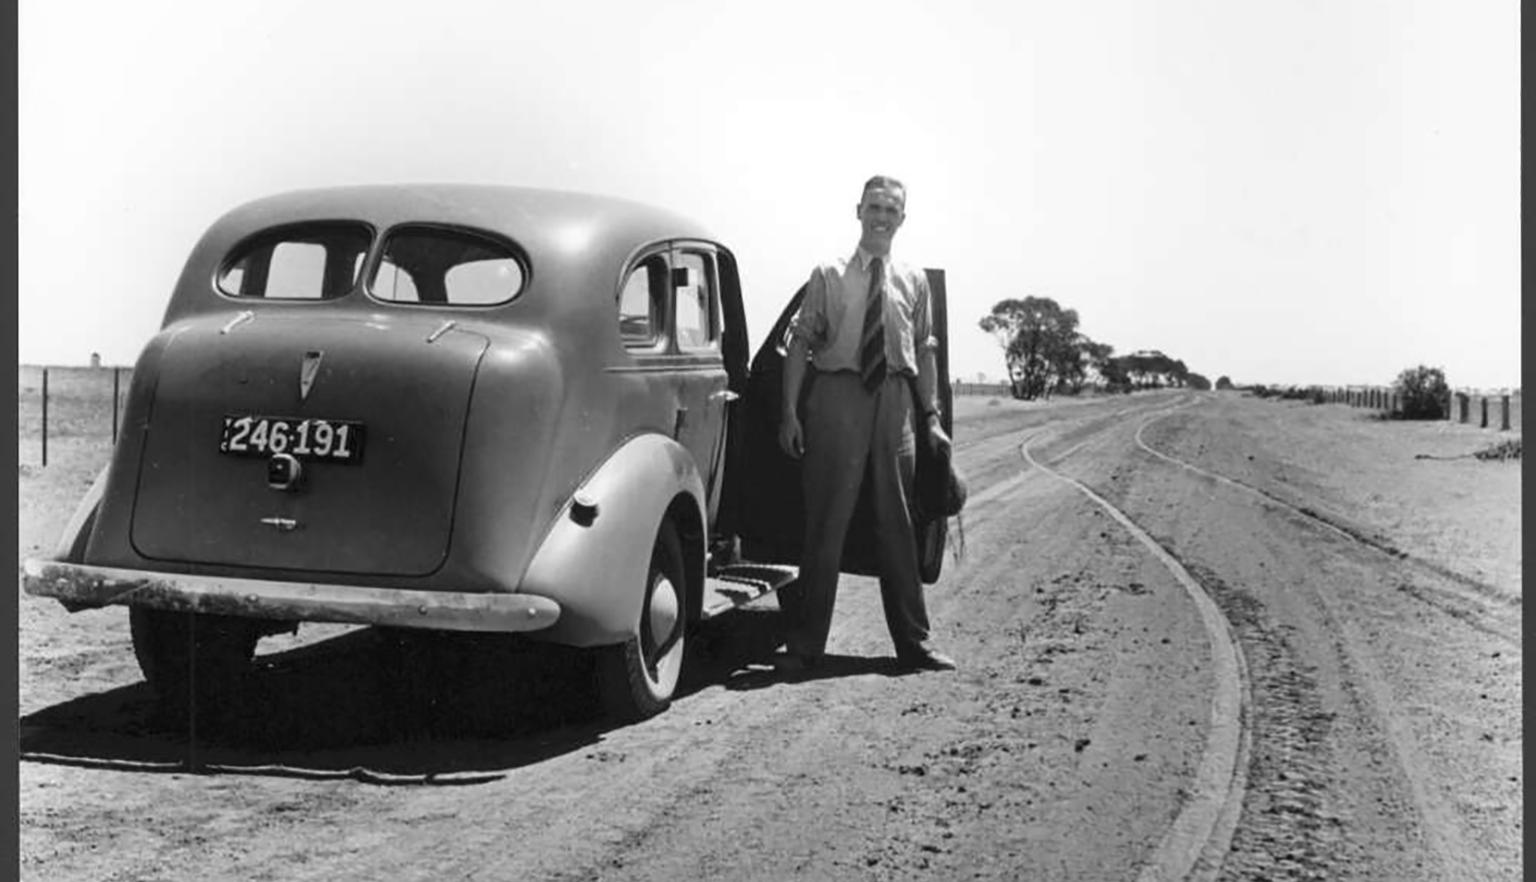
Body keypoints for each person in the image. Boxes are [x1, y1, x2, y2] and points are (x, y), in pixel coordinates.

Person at [776, 174, 956, 672]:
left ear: (902, 219)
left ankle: (914, 645)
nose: (881, 216)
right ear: (858, 211)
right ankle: (805, 645)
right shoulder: (828, 273)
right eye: (874, 206)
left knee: (900, 524)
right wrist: (790, 411)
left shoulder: (913, 279)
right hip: (837, 396)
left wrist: (932, 417)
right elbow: (799, 343)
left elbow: (925, 349)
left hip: (896, 401)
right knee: (826, 522)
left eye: (891, 209)